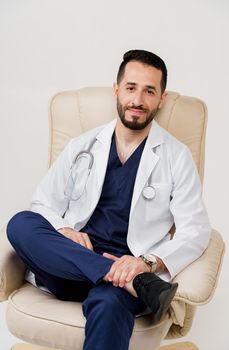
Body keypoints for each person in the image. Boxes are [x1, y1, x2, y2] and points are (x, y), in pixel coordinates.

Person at [7, 49, 211, 350]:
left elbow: (196, 229)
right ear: (117, 90)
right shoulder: (82, 145)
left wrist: (146, 264)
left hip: (128, 269)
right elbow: (42, 204)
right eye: (131, 88)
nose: (138, 100)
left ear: (161, 99)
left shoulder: (176, 156)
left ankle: (123, 279)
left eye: (149, 91)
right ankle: (127, 282)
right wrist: (64, 230)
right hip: (67, 265)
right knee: (21, 223)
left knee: (110, 305)